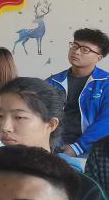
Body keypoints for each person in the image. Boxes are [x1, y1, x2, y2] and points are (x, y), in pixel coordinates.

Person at [46, 28, 109, 160]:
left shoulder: (105, 83)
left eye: (85, 49)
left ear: (98, 58)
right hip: (52, 144)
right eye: (75, 45)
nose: (76, 51)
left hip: (90, 148)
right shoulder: (53, 82)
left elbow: (106, 121)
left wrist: (77, 147)